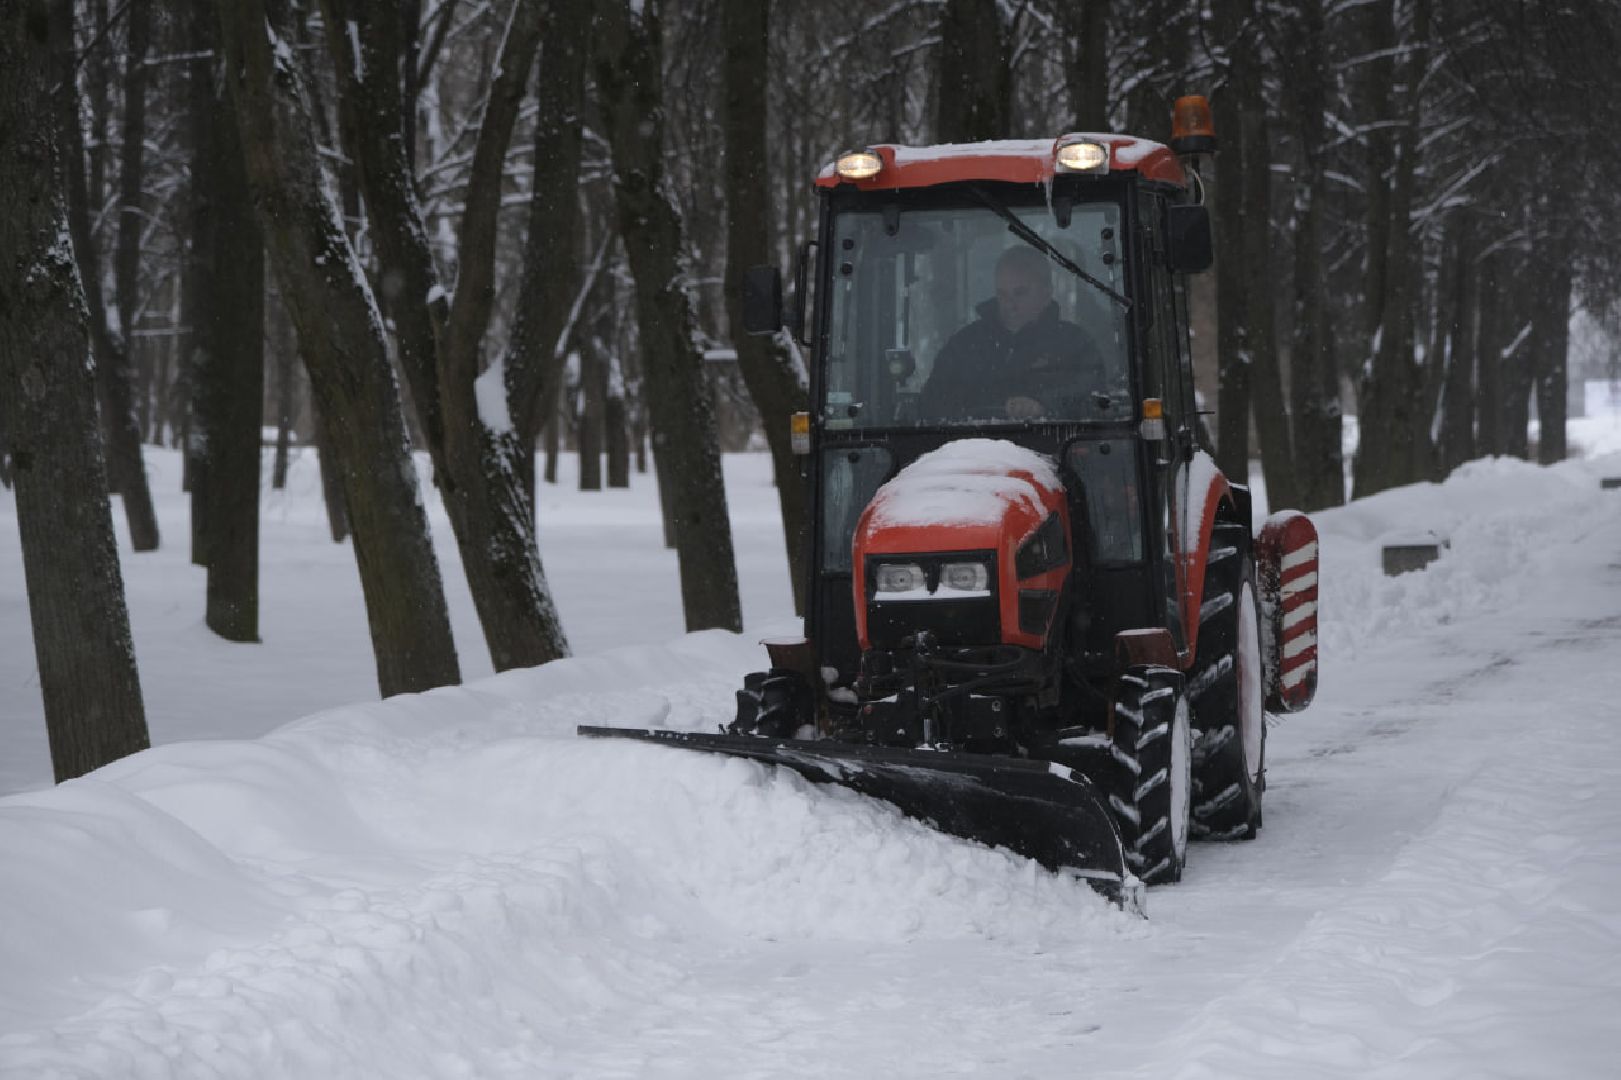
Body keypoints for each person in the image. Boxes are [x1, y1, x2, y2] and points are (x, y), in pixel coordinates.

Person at [918, 245, 1104, 422]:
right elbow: (933, 402)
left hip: (1057, 442)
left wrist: (1044, 406)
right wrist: (987, 407)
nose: (1010, 305)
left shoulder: (1075, 345)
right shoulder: (964, 346)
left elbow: (1094, 399)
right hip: (973, 443)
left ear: (1047, 293)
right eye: (1002, 294)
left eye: (1020, 293)